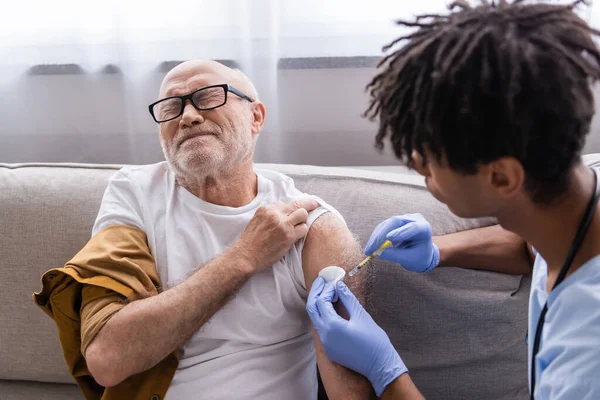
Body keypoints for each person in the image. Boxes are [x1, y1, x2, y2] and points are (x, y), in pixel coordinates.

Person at [307, 0, 600, 399]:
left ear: (501, 176)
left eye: (427, 160)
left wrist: (385, 370)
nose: (414, 163)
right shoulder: (570, 207)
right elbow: (538, 250)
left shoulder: (587, 357)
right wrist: (438, 251)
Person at [34, 60, 373, 399]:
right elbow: (107, 359)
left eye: (209, 97)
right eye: (171, 106)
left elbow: (349, 388)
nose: (188, 116)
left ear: (256, 117)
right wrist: (245, 255)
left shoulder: (313, 225)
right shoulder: (134, 194)